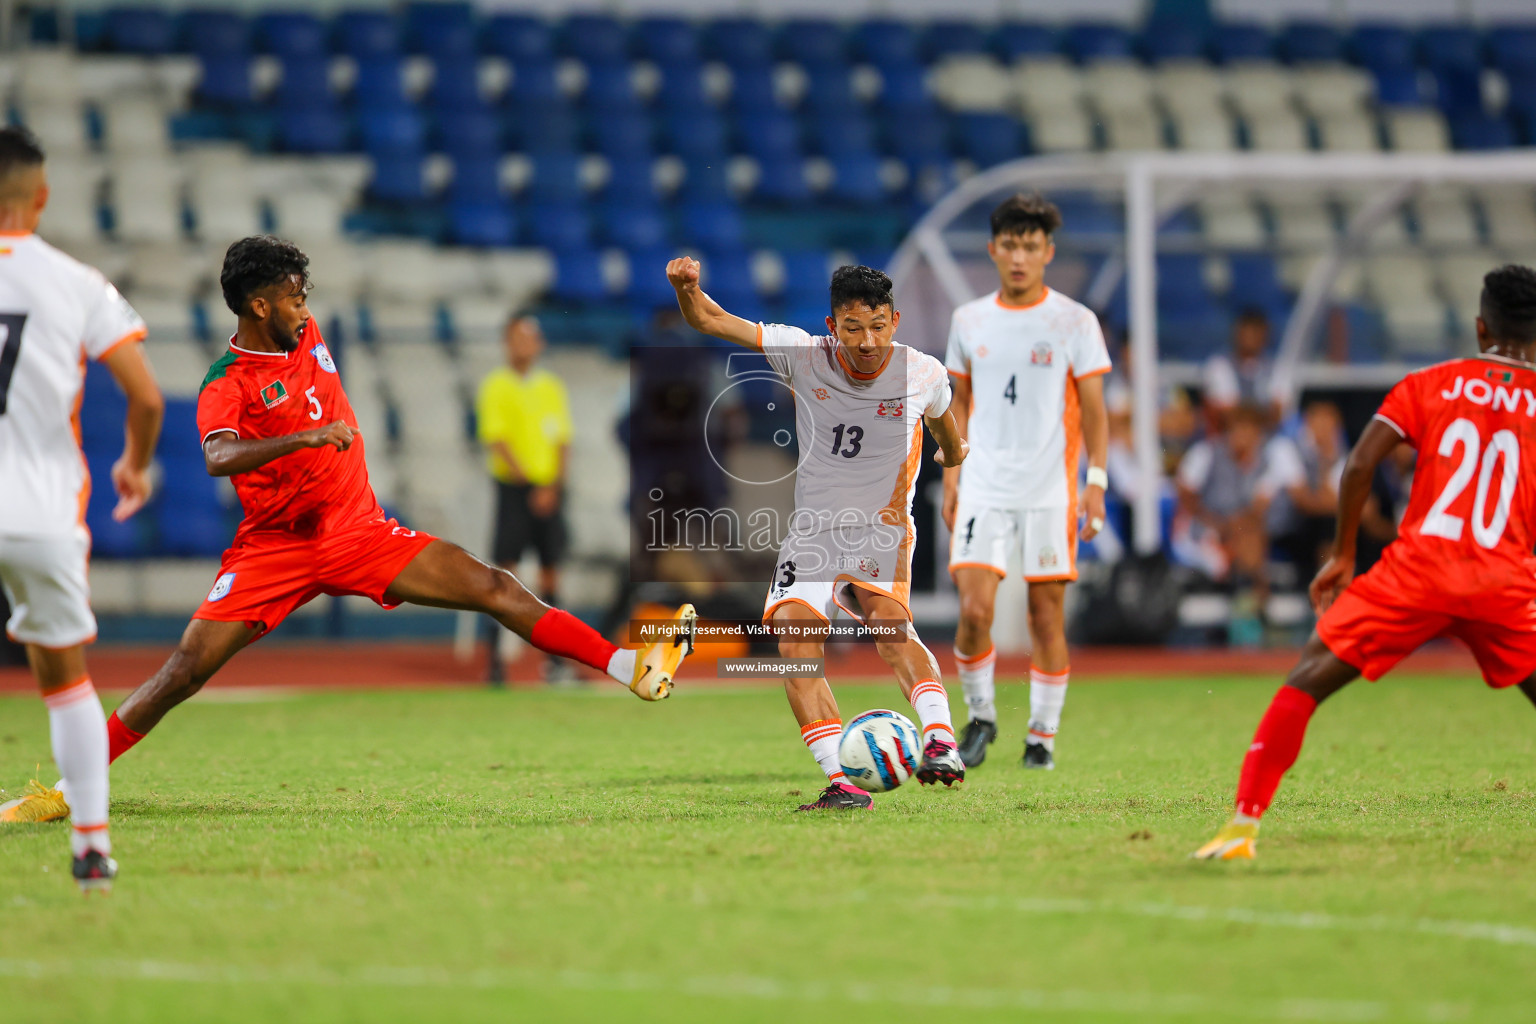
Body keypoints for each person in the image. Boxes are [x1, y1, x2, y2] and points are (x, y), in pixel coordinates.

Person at [1, 236, 696, 824]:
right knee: (183, 672)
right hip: (276, 548)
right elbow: (216, 455)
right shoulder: (227, 383)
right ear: (258, 305)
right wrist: (305, 437)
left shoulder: (309, 333)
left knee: (493, 585)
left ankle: (628, 667)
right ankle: (68, 791)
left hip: (358, 530)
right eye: (294, 296)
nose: (306, 307)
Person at [1196, 264, 1536, 860]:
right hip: (1503, 577)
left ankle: (1241, 827)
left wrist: (1347, 552)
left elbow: (1357, 465)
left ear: (1482, 328)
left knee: (1308, 677)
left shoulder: (1432, 382)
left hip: (1419, 569)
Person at [666, 257, 970, 811]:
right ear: (833, 327)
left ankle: (942, 741)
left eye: (878, 326)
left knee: (889, 626)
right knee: (794, 645)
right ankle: (844, 782)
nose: (867, 341)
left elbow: (947, 427)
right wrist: (686, 288)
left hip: (882, 527)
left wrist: (952, 457)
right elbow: (709, 321)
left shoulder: (921, 372)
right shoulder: (804, 354)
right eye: (853, 328)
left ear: (895, 322)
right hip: (813, 531)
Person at [0, 126, 164, 892]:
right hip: (39, 509)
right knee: (66, 679)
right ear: (43, 196)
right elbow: (145, 394)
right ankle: (90, 848)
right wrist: (133, 465)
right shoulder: (76, 281)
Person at [940, 193, 1111, 771]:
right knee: (974, 612)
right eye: (1010, 245)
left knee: (1045, 617)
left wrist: (1097, 481)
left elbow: (1094, 408)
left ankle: (1041, 736)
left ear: (1048, 253)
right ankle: (981, 715)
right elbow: (957, 403)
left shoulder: (1074, 321)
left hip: (1050, 488)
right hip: (983, 482)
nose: (1019, 257)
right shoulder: (969, 320)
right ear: (993, 250)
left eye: (1030, 247)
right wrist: (952, 476)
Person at [475, 315, 572, 682]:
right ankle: (496, 663)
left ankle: (557, 662)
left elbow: (563, 440)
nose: (523, 345)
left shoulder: (551, 386)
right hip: (515, 493)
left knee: (551, 576)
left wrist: (554, 486)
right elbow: (497, 440)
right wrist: (533, 486)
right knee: (504, 576)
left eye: (529, 339)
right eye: (516, 339)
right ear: (507, 343)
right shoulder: (496, 386)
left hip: (549, 491)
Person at [1202, 307, 1293, 428]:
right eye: (1247, 331)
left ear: (1266, 334)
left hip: (1267, 438)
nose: (1251, 337)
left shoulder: (1278, 368)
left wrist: (1245, 413)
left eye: (1256, 331)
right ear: (1237, 332)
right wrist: (1263, 412)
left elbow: (1278, 413)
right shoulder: (1219, 365)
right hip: (1227, 438)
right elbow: (1226, 414)